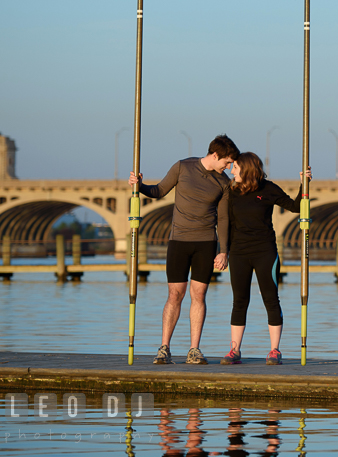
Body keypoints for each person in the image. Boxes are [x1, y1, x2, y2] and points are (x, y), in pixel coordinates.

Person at [130, 134, 239, 365]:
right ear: (215, 155)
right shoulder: (182, 167)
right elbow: (158, 191)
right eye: (227, 162)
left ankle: (194, 350)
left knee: (198, 295)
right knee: (175, 294)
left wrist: (223, 251)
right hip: (178, 242)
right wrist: (139, 186)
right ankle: (164, 348)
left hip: (205, 244)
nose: (228, 167)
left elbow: (223, 219)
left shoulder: (224, 183)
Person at [220, 152, 306, 366]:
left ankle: (275, 350)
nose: (232, 170)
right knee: (239, 301)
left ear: (247, 169)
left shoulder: (268, 189)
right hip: (239, 252)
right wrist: (222, 251)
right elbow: (225, 224)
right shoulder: (231, 191)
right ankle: (234, 350)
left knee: (271, 299)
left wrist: (304, 185)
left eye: (236, 167)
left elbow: (296, 207)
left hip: (265, 252)